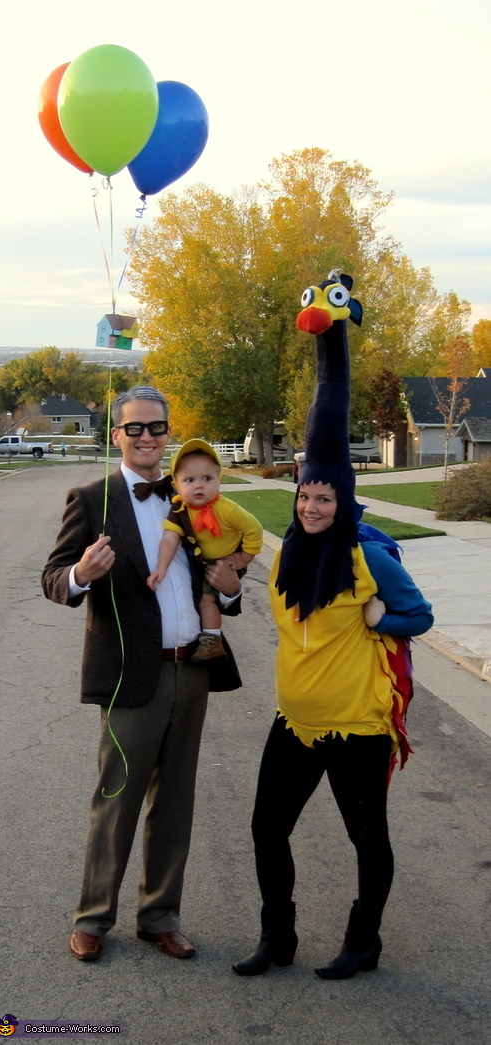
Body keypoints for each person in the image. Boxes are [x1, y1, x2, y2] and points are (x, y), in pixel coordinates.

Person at [232, 272, 434, 980]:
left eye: (324, 496)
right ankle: (277, 935)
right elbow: (327, 404)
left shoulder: (366, 555)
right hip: (295, 721)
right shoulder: (289, 553)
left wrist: (385, 617)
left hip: (357, 724)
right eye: (305, 494)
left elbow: (421, 614)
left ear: (342, 499)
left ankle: (363, 939)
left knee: (366, 838)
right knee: (266, 828)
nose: (312, 505)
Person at [42, 385, 243, 963]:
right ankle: (93, 918)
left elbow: (221, 573)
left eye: (157, 428)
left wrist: (229, 593)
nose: (149, 438)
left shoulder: (192, 498)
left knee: (176, 800)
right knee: (117, 798)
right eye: (136, 429)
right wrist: (81, 571)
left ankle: (160, 915)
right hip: (132, 677)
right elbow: (54, 578)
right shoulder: (92, 498)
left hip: (193, 670)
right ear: (117, 436)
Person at [147, 438, 263, 661]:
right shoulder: (180, 510)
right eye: (189, 480)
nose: (198, 485)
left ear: (219, 480)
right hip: (204, 562)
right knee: (197, 596)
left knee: (206, 600)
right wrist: (161, 568)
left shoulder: (228, 509)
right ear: (176, 485)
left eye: (207, 478)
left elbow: (254, 529)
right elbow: (170, 538)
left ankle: (212, 641)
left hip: (227, 561)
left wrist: (244, 558)